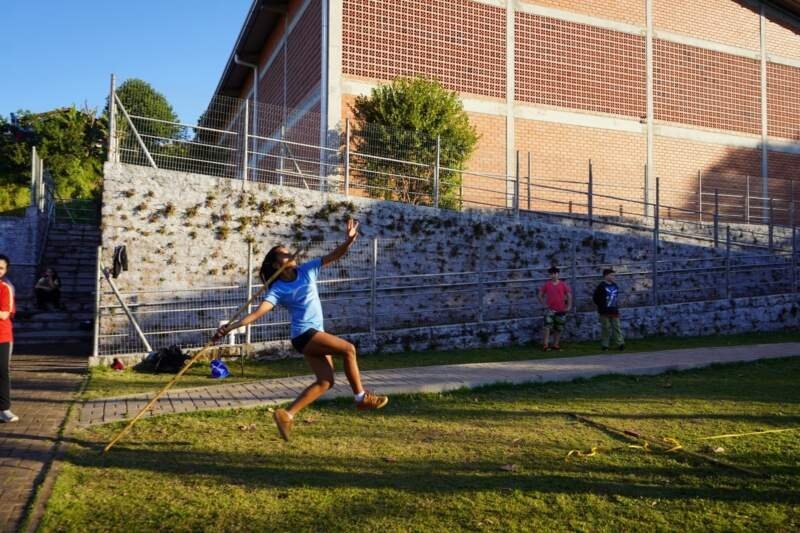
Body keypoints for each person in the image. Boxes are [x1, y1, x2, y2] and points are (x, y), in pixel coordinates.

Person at [215, 220, 388, 441]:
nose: (290, 256)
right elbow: (257, 313)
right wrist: (231, 326)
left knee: (326, 381)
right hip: (304, 335)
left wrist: (350, 240)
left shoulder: (307, 270)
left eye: (289, 253)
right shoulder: (277, 289)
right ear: (278, 266)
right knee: (349, 349)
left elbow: (335, 255)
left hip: (314, 333)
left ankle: (287, 414)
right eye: (284, 255)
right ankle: (361, 398)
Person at [0, 254, 19, 423]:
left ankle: (4, 409)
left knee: (2, 371)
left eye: (1, 268)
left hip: (2, 336)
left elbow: (5, 313)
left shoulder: (5, 288)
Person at [537, 266, 572, 351]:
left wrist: (569, 306)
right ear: (550, 275)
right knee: (547, 327)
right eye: (551, 274)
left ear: (558, 274)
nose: (553, 275)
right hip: (550, 310)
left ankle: (555, 344)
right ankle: (545, 345)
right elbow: (540, 294)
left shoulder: (563, 284)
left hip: (561, 309)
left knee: (559, 328)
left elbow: (569, 295)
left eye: (555, 273)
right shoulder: (547, 284)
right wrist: (544, 304)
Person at [593, 268, 624, 351]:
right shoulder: (601, 286)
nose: (613, 277)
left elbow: (616, 297)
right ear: (606, 276)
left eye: (614, 275)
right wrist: (601, 306)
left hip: (614, 310)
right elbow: (595, 298)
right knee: (606, 328)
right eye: (611, 275)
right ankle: (605, 345)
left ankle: (620, 343)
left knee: (616, 327)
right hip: (604, 311)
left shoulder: (615, 285)